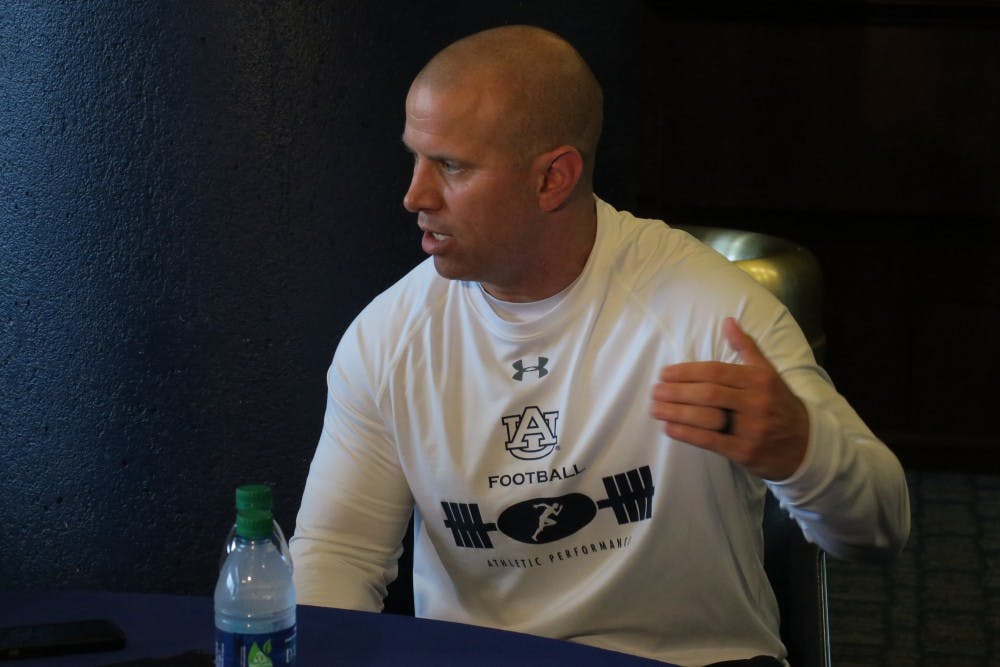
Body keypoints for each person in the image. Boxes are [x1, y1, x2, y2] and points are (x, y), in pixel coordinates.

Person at [290, 25, 910, 667]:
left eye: (451, 166)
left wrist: (803, 453)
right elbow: (339, 554)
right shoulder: (389, 336)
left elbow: (880, 532)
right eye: (416, 159)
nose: (414, 195)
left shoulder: (713, 312)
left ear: (553, 178)